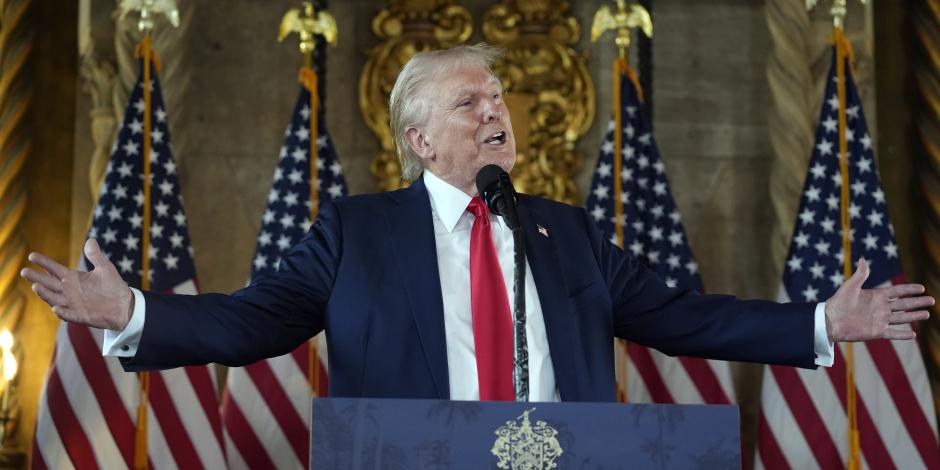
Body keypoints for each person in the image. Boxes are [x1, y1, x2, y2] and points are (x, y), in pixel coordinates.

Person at [21, 44, 932, 402]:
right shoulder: (356, 232)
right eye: (471, 101)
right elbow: (251, 319)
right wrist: (135, 312)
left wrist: (822, 322)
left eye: (501, 96)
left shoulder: (567, 235)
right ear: (418, 137)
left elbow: (688, 317)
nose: (498, 111)